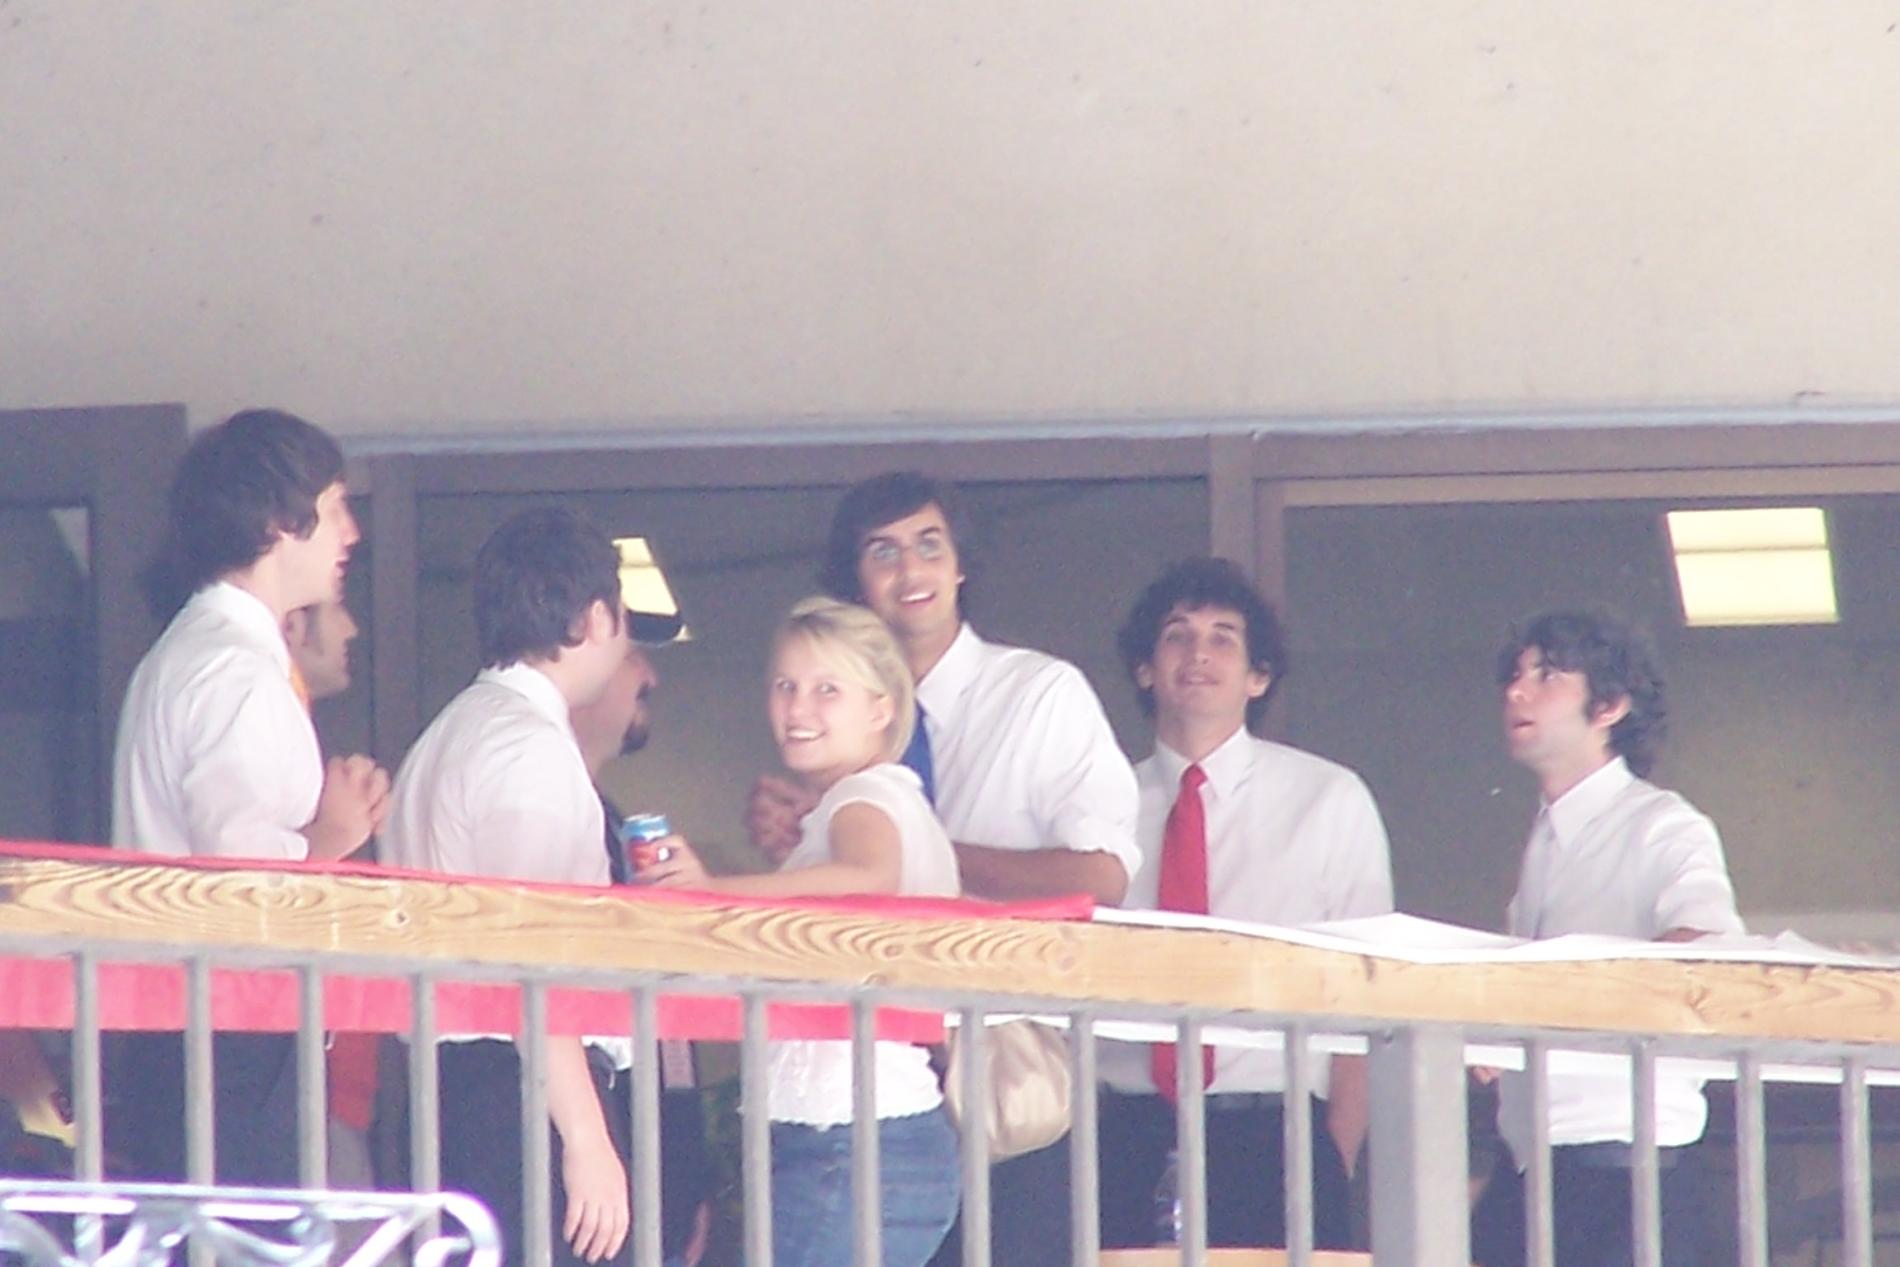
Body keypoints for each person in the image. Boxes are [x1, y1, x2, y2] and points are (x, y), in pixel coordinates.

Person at [749, 472, 1139, 1266]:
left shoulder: (1039, 693)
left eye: (930, 545)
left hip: (1003, 1080)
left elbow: (1100, 877)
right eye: (882, 552)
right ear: (854, 580)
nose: (910, 569)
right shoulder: (832, 713)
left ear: (961, 564)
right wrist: (801, 843)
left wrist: (918, 851)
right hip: (874, 1087)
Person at [108, 408, 390, 1187]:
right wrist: (333, 834)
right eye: (335, 506)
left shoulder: (201, 652)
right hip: (229, 1040)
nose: (351, 532)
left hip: (195, 1031)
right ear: (277, 523)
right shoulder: (234, 668)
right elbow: (240, 878)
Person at [652, 596, 962, 1267]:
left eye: (828, 689)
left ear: (881, 709)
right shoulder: (885, 797)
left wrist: (711, 893)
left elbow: (868, 877)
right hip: (869, 1136)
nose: (798, 708)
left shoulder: (863, 797)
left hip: (845, 1140)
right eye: (785, 686)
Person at [1099, 556, 1391, 1250]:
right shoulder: (1100, 805)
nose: (1198, 653)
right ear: (1145, 669)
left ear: (1258, 676)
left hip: (1275, 1132)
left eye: (1223, 637)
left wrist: (1336, 1147)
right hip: (1127, 1133)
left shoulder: (1327, 798)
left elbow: (1369, 989)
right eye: (1176, 635)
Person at [382, 507, 636, 1265]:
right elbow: (531, 959)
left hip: (448, 1082)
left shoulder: (449, 733)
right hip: (519, 1089)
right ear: (595, 617)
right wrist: (586, 1136)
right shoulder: (527, 746)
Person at [1472, 608, 1743, 1267]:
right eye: (1515, 675)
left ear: (1611, 704)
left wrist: (1541, 1006)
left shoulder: (1662, 824)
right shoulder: (1546, 838)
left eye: (1548, 674)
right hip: (1535, 1166)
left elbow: (1707, 949)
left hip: (1624, 1173)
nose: (1517, 691)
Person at [568, 617, 715, 1267]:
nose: (650, 676)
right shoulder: (556, 812)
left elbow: (661, 1017)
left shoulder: (611, 822)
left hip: (645, 1158)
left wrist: (685, 1167)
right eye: (631, 655)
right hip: (595, 1155)